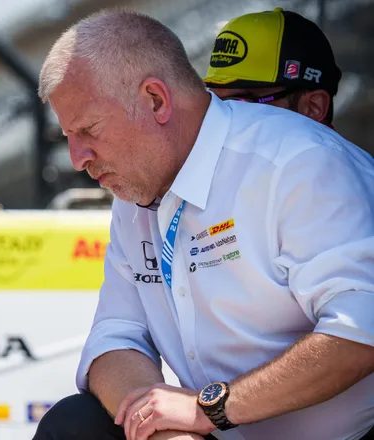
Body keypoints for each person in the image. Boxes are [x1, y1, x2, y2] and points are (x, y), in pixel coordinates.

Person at [34, 9, 374, 440]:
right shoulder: (135, 193)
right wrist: (160, 425)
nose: (78, 159)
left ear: (155, 100)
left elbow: (361, 332)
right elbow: (115, 339)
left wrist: (210, 408)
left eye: (88, 130)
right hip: (209, 431)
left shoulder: (297, 161)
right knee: (74, 424)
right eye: (68, 137)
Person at [203, 8, 341, 127]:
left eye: (239, 105)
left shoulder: (335, 158)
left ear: (313, 108)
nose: (219, 119)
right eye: (213, 103)